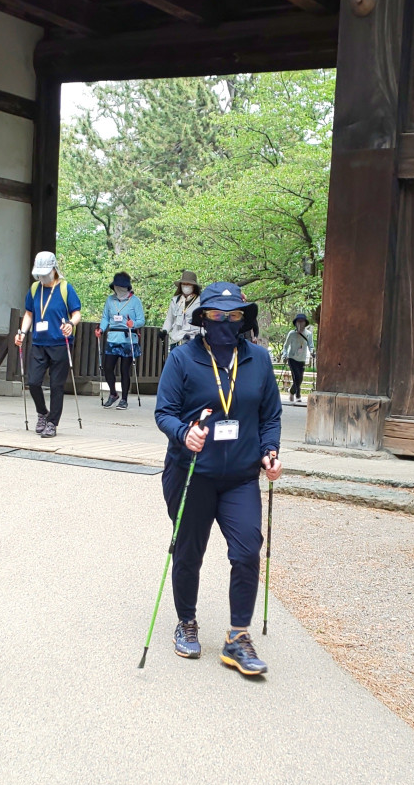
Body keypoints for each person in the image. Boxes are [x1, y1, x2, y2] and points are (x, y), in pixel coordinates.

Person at [153, 281, 283, 677]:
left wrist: (270, 450)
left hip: (241, 476)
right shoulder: (182, 359)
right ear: (202, 318)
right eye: (215, 315)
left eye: (233, 316)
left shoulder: (259, 361)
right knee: (189, 551)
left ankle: (238, 637)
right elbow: (164, 412)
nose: (225, 321)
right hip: (192, 473)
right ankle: (186, 621)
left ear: (245, 319)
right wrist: (183, 433)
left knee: (246, 551)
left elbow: (270, 416)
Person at [15, 250, 81, 438]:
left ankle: (52, 423)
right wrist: (22, 332)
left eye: (45, 273)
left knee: (56, 386)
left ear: (54, 269)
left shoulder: (65, 288)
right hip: (38, 342)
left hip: (60, 343)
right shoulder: (35, 289)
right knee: (33, 382)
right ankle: (42, 413)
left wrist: (70, 324)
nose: (42, 277)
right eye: (39, 273)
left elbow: (76, 313)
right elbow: (29, 313)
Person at [98, 271, 144, 410]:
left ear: (127, 287)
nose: (119, 289)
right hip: (113, 337)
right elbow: (106, 317)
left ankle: (124, 399)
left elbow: (141, 320)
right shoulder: (110, 300)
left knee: (125, 369)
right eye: (117, 287)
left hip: (128, 338)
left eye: (122, 287)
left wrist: (133, 324)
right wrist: (101, 329)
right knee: (107, 368)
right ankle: (113, 393)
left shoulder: (135, 301)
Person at [163, 270, 202, 348]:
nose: (186, 286)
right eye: (184, 284)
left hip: (192, 339)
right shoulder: (175, 300)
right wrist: (165, 330)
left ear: (193, 286)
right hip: (176, 339)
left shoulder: (200, 301)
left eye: (188, 284)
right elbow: (169, 319)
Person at [281, 312, 313, 403]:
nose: (300, 323)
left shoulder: (308, 334)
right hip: (292, 358)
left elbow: (311, 345)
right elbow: (285, 346)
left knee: (300, 378)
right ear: (295, 323)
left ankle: (293, 392)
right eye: (298, 322)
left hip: (302, 359)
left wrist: (312, 352)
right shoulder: (291, 334)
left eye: (302, 321)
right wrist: (285, 355)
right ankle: (297, 395)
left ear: (305, 323)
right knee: (296, 377)